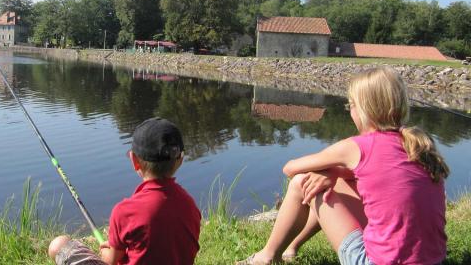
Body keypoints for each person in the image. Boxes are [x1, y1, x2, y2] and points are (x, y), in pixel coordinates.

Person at [239, 67, 449, 265]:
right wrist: (335, 174)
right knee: (333, 181)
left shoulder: (356, 147)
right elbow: (383, 177)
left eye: (351, 105)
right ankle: (291, 248)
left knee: (302, 182)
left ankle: (267, 256)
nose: (350, 111)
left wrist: (330, 173)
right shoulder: (418, 143)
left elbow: (291, 168)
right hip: (433, 259)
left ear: (362, 109)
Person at [48, 117, 201, 265]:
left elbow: (110, 261)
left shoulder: (125, 212)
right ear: (180, 160)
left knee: (59, 244)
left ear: (134, 161)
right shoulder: (190, 206)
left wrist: (106, 250)